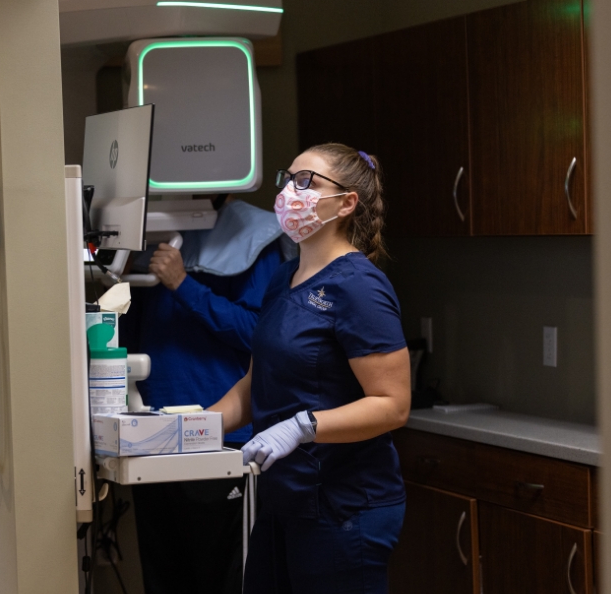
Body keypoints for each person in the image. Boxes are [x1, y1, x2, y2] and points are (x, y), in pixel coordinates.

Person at [210, 143, 411, 594]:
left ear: (346, 203)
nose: (289, 191)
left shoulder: (359, 286)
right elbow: (253, 383)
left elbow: (393, 405)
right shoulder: (284, 277)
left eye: (307, 182)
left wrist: (300, 428)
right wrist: (194, 429)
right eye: (288, 178)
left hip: (345, 507)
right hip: (284, 499)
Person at [120, 195, 286, 594]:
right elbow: (130, 338)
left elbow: (260, 334)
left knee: (221, 578)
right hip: (153, 437)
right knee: (164, 574)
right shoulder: (152, 231)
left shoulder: (255, 238)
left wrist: (183, 285)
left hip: (221, 440)